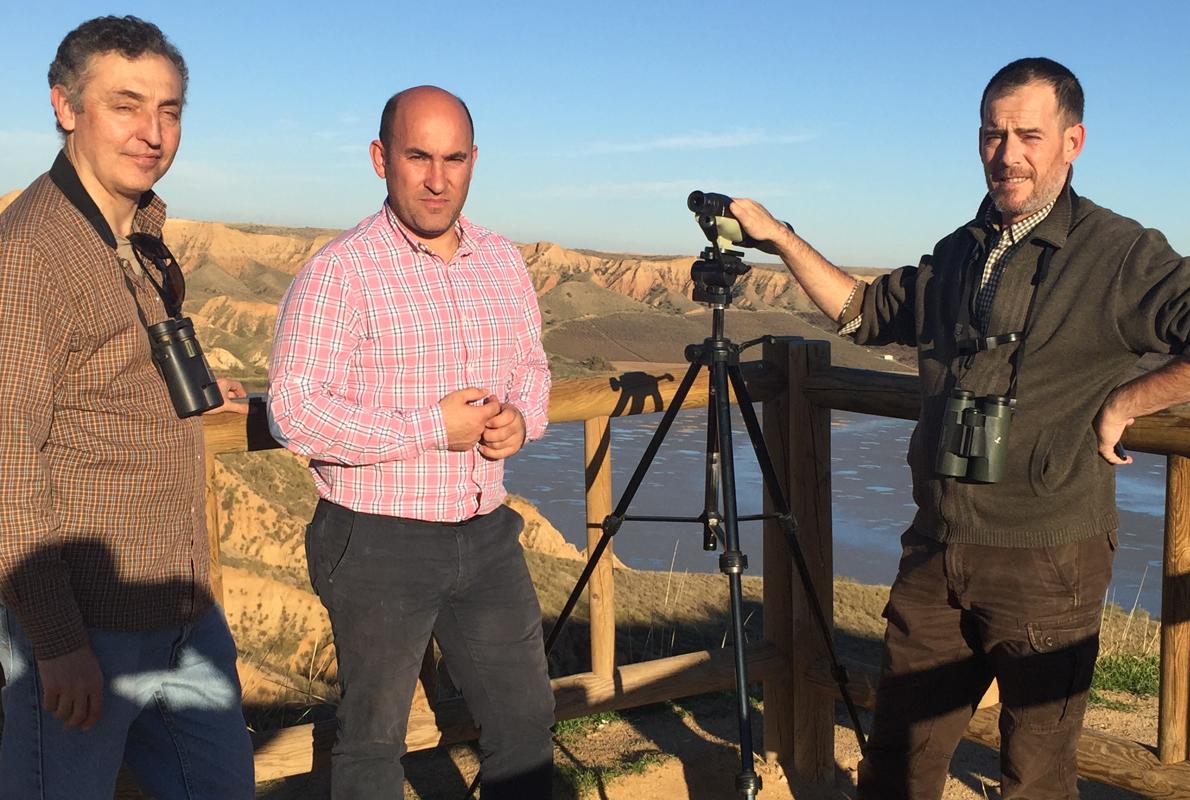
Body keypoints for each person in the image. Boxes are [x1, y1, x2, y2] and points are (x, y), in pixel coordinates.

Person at [733, 57, 1190, 799]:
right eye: (992, 133)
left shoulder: (1120, 254)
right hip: (937, 547)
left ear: (1072, 142)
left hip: (1049, 558)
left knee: (1034, 777)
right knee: (896, 765)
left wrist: (1132, 401)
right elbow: (863, 311)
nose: (1007, 153)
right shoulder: (960, 251)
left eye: (1029, 135)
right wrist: (781, 237)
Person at [268, 85, 555, 798]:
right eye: (418, 156)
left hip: (486, 534)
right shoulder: (341, 272)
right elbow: (294, 412)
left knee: (524, 725)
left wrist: (522, 417)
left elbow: (532, 369)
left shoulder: (503, 261)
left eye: (454, 158)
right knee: (372, 742)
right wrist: (431, 427)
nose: (437, 177)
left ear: (474, 161)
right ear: (380, 159)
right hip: (373, 539)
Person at [0, 15, 254, 800]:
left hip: (180, 607)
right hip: (86, 626)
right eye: (126, 105)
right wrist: (56, 642)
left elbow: (111, 370)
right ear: (65, 107)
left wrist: (203, 395)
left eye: (169, 109)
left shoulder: (135, 230)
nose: (152, 132)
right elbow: (7, 458)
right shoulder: (32, 252)